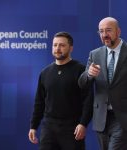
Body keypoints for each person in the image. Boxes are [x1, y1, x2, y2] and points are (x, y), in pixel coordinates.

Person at [28, 31, 93, 150]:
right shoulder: (45, 73)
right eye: (55, 45)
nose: (57, 48)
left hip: (72, 129)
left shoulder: (81, 70)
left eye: (62, 45)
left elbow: (88, 100)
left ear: (71, 48)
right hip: (48, 128)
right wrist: (33, 126)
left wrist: (83, 123)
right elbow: (39, 102)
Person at [78, 17, 127, 150]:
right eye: (101, 31)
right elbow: (82, 83)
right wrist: (89, 74)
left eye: (108, 30)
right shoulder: (95, 54)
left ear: (118, 32)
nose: (104, 34)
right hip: (101, 118)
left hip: (122, 117)